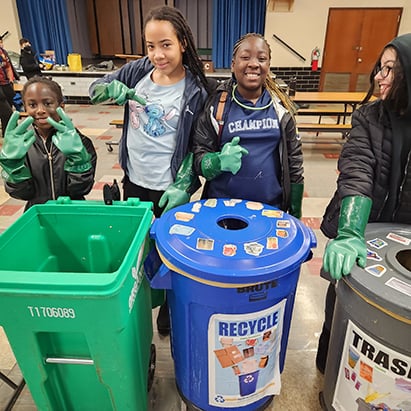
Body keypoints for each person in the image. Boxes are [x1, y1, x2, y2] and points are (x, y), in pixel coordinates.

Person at [89, 5, 211, 336]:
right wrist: (107, 91)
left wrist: (185, 184)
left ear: (183, 42)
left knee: (172, 253)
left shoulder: (198, 90)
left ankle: (170, 311)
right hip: (135, 181)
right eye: (150, 46)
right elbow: (95, 90)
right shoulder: (135, 72)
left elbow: (199, 146)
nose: (157, 54)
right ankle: (140, 304)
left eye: (166, 45)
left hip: (171, 187)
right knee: (139, 251)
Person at [316, 32, 411, 375]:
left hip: (402, 245)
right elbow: (357, 170)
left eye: (390, 70)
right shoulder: (369, 117)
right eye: (379, 68)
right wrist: (350, 232)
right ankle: (328, 361)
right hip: (361, 231)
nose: (379, 77)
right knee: (342, 300)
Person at [192, 33, 304, 218]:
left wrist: (295, 210)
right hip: (222, 208)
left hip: (270, 208)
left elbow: (294, 162)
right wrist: (217, 161)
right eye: (245, 57)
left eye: (262, 58)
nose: (253, 63)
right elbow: (198, 156)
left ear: (268, 65)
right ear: (233, 64)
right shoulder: (218, 106)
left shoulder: (281, 108)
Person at [0, 77, 97, 210]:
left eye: (47, 103)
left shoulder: (81, 143)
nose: (40, 110)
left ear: (61, 107)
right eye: (32, 105)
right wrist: (14, 169)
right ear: (25, 107)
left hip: (72, 211)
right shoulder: (23, 146)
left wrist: (79, 162)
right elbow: (22, 193)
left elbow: (80, 190)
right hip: (37, 213)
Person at [0, 35, 18, 135]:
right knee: (8, 113)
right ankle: (10, 134)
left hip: (6, 84)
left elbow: (8, 67)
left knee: (6, 113)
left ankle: (6, 133)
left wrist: (11, 79)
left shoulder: (3, 52)